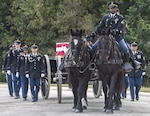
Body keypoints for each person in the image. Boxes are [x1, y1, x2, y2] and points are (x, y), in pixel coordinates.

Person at [86, 2, 140, 72]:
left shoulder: (120, 18)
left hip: (117, 37)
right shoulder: (105, 17)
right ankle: (92, 62)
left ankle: (127, 63)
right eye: (111, 8)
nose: (112, 9)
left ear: (116, 9)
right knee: (94, 47)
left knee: (125, 48)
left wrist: (114, 31)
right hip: (105, 36)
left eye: (113, 8)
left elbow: (120, 27)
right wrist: (92, 34)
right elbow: (99, 27)